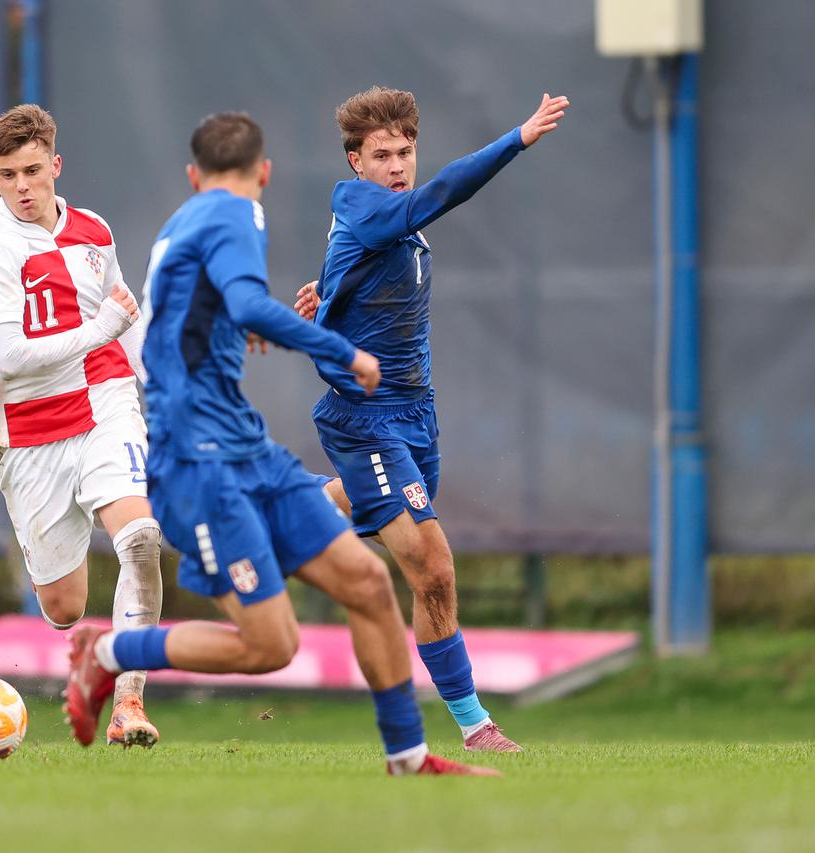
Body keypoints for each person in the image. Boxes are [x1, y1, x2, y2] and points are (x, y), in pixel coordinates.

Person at [63, 112, 498, 777]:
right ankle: (109, 654)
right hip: (197, 463)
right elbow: (241, 300)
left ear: (192, 176)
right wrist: (337, 348)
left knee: (368, 582)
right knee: (272, 646)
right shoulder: (239, 216)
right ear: (264, 173)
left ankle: (409, 757)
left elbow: (196, 315)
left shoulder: (184, 223)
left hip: (246, 446)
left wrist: (254, 324)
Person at [293, 86, 571, 752]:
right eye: (382, 154)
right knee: (434, 568)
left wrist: (325, 295)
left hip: (417, 413)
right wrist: (517, 138)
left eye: (407, 151)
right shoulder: (361, 201)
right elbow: (442, 193)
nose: (397, 164)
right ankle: (476, 726)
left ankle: (277, 511)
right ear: (355, 161)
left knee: (406, 548)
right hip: (366, 418)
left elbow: (360, 270)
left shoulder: (388, 217)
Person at [0, 104, 163, 748]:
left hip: (106, 399)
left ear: (56, 165)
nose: (22, 186)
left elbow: (126, 317)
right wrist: (101, 329)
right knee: (64, 608)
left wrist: (160, 379)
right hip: (30, 425)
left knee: (138, 536)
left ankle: (128, 703)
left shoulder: (94, 231)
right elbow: (10, 357)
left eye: (32, 170)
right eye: (6, 175)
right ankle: (84, 650)